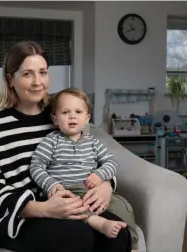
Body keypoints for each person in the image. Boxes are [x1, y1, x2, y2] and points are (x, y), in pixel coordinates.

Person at [0, 41, 132, 252]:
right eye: (28, 74)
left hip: (73, 200)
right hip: (21, 215)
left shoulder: (62, 113)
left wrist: (106, 185)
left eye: (43, 72)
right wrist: (45, 209)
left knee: (119, 234)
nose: (38, 82)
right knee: (76, 235)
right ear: (11, 79)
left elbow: (90, 155)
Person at [29, 88, 139, 247]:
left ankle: (133, 246)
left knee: (123, 206)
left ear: (87, 118)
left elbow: (111, 162)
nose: (72, 116)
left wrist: (101, 175)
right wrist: (51, 184)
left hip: (91, 190)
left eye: (78, 112)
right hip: (66, 190)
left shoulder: (93, 142)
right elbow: (36, 166)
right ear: (55, 119)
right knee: (69, 206)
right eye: (65, 112)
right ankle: (97, 222)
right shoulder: (51, 141)